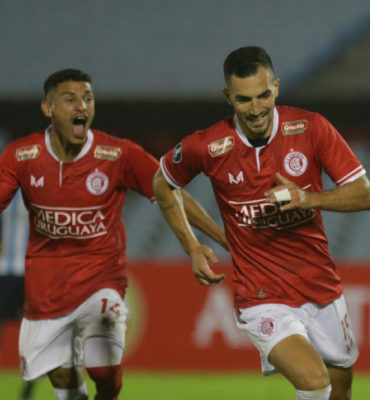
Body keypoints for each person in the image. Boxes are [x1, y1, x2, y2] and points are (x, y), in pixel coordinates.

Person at [153, 46, 370, 400]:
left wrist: (308, 198)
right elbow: (163, 183)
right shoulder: (208, 145)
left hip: (320, 285)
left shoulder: (311, 127)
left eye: (263, 95)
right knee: (314, 381)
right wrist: (194, 246)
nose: (256, 110)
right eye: (244, 100)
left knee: (340, 389)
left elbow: (365, 195)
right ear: (228, 96)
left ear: (276, 87)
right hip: (261, 295)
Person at [0, 69, 227, 400]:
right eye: (70, 99)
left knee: (103, 367)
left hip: (100, 280)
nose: (82, 106)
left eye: (88, 98)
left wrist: (210, 240)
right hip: (46, 288)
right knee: (62, 376)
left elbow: (170, 192)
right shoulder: (22, 156)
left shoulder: (118, 154)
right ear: (48, 109)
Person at [0, 191, 35, 400]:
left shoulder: (38, 185)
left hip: (32, 272)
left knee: (37, 334)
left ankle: (27, 393)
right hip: (4, 271)